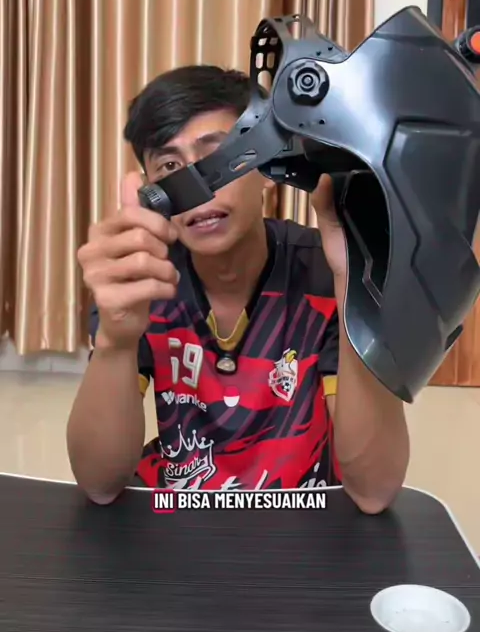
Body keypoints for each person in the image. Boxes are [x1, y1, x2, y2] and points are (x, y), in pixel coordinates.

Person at [68, 65, 409, 509]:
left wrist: (351, 286)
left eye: (216, 157)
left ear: (266, 167)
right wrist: (116, 341)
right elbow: (100, 484)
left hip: (304, 518)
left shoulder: (325, 272)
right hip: (177, 516)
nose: (197, 188)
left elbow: (373, 492)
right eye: (170, 166)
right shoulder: (143, 278)